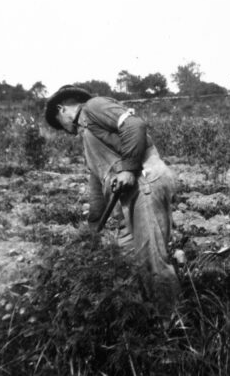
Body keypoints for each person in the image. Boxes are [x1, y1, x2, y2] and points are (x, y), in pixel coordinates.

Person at [44, 85, 179, 311]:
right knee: (126, 261)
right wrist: (92, 229)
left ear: (62, 109)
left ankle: (172, 325)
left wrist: (127, 169)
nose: (66, 130)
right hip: (130, 196)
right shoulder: (88, 134)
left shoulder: (94, 106)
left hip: (145, 182)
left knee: (152, 261)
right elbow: (97, 185)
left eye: (60, 123)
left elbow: (135, 125)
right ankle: (142, 320)